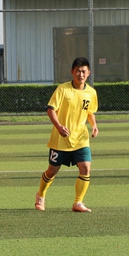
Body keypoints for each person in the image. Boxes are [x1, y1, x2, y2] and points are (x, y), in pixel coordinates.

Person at [35, 57, 99, 213]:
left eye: (83, 71)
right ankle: (41, 195)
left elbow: (90, 111)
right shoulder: (62, 89)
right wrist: (58, 127)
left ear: (88, 73)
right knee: (52, 171)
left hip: (81, 139)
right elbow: (51, 109)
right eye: (77, 71)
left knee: (86, 168)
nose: (80, 74)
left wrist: (94, 125)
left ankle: (78, 203)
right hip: (61, 140)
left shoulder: (91, 92)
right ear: (72, 72)